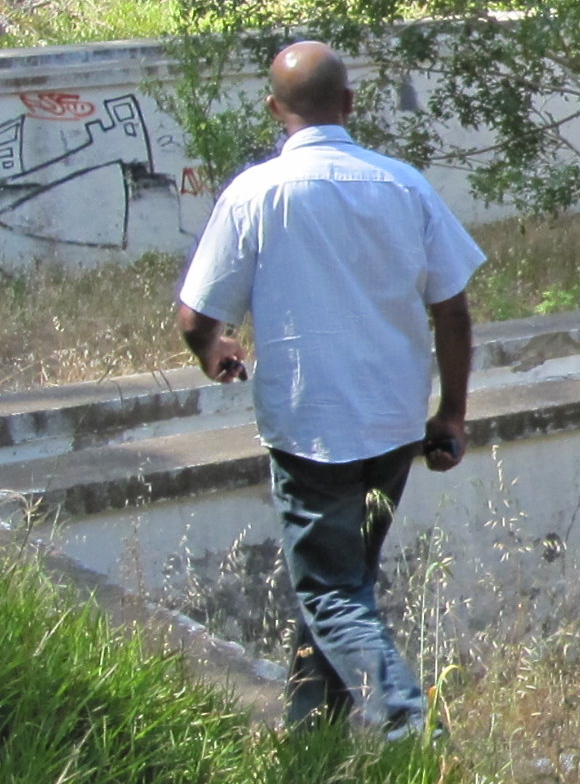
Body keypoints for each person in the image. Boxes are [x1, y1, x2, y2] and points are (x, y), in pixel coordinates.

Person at [173, 41, 484, 737]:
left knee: (331, 592)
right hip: (393, 425)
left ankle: (407, 724)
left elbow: (196, 318)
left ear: (273, 108)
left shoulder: (256, 192)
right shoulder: (404, 185)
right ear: (348, 103)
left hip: (310, 429)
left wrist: (212, 351)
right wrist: (452, 413)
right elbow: (453, 310)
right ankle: (310, 734)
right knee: (345, 585)